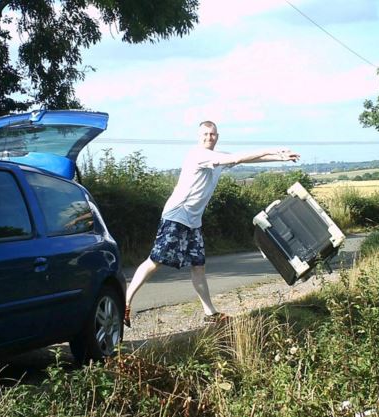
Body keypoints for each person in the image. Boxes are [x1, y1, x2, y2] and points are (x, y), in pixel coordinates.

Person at [124, 121, 300, 327]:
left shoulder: (217, 157)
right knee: (155, 261)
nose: (209, 137)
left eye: (213, 134)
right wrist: (272, 149)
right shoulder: (198, 155)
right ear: (199, 136)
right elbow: (237, 157)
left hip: (193, 221)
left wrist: (279, 157)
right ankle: (125, 301)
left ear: (217, 136)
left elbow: (246, 160)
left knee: (198, 266)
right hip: (176, 216)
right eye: (206, 134)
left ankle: (210, 313)